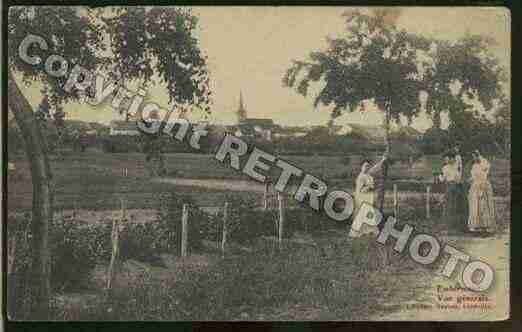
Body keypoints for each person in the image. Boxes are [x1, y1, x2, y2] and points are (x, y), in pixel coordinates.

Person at [349, 154, 387, 238]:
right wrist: (369, 187)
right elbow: (360, 190)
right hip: (362, 198)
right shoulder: (361, 177)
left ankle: (369, 232)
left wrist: (382, 161)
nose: (366, 168)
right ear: (361, 167)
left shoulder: (368, 174)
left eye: (368, 166)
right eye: (365, 166)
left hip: (368, 197)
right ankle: (361, 232)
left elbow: (376, 168)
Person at [467, 150, 496, 234]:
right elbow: (473, 176)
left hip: (483, 185)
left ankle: (486, 226)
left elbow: (485, 174)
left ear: (478, 156)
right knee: (474, 205)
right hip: (475, 186)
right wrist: (470, 180)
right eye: (473, 157)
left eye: (475, 156)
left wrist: (482, 186)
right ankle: (476, 226)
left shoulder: (484, 163)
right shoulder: (474, 166)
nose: (474, 158)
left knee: (484, 205)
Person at [439, 155, 461, 227]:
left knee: (453, 204)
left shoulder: (455, 167)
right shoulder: (445, 168)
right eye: (451, 159)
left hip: (454, 186)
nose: (452, 160)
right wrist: (440, 176)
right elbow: (443, 179)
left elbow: (458, 179)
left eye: (453, 159)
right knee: (448, 204)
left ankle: (452, 222)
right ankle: (447, 222)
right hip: (449, 186)